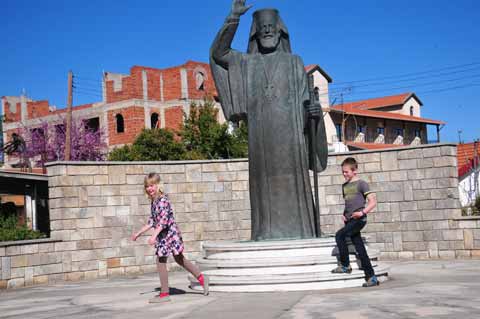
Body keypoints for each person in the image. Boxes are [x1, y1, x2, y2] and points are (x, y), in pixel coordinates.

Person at [210, 0, 328, 241]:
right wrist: (233, 18)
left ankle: (303, 230)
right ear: (255, 33)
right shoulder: (246, 63)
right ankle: (265, 232)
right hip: (261, 142)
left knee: (294, 186)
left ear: (279, 30)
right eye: (262, 27)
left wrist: (313, 111)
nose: (266, 31)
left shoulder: (294, 63)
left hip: (291, 142)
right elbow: (219, 53)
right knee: (264, 191)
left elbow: (306, 104)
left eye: (270, 27)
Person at [131, 173, 209, 303]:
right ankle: (201, 278)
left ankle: (165, 293)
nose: (149, 188)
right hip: (164, 235)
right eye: (147, 186)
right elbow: (152, 221)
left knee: (166, 260)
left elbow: (163, 221)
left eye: (152, 185)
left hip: (169, 235)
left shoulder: (162, 201)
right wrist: (138, 233)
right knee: (176, 259)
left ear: (158, 185)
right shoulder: (154, 201)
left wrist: (153, 236)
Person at [331, 157, 379, 287]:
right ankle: (372, 277)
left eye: (346, 172)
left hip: (359, 219)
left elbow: (373, 202)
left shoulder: (362, 184)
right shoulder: (344, 186)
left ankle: (346, 265)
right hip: (349, 220)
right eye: (343, 172)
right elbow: (349, 202)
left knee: (339, 235)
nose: (344, 174)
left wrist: (362, 213)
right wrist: (344, 214)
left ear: (354, 171)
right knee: (360, 248)